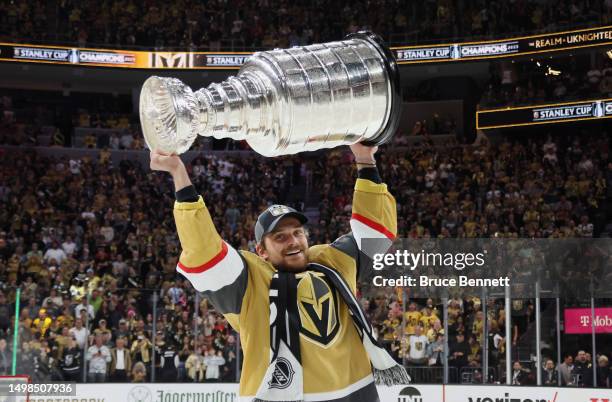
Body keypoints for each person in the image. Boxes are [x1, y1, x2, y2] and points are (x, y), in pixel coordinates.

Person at [150, 143, 408, 401]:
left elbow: (376, 232)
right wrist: (179, 174)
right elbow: (205, 252)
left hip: (356, 393)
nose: (293, 241)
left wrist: (364, 159)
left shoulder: (333, 262)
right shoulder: (249, 281)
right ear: (262, 251)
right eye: (280, 237)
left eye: (297, 233)